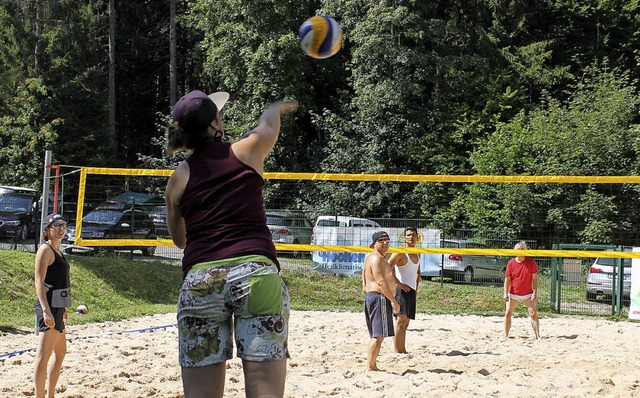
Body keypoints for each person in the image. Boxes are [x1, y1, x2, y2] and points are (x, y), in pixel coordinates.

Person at [164, 89, 298, 398]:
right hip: (256, 276)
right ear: (215, 125)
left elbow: (180, 240)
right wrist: (277, 105)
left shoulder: (178, 177)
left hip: (202, 283)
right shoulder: (247, 149)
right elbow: (268, 123)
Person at [33, 213, 71, 398]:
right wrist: (46, 311)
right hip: (48, 306)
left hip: (57, 306)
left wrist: (63, 309)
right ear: (47, 230)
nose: (61, 228)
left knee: (61, 352)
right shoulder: (45, 249)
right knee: (43, 356)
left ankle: (51, 395)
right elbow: (39, 282)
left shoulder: (58, 250)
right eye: (56, 225)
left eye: (63, 225)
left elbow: (60, 282)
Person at [362, 231, 401, 371]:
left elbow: (364, 275)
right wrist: (394, 301)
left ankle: (371, 365)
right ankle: (371, 367)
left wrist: (365, 288)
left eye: (387, 240)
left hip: (372, 297)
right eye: (381, 240)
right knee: (378, 336)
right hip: (379, 298)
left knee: (376, 335)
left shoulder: (371, 257)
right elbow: (380, 281)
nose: (385, 243)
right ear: (374, 243)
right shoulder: (376, 258)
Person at [387, 226, 420, 353]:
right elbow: (387, 268)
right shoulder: (400, 252)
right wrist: (399, 284)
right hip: (402, 291)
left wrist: (416, 288)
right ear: (404, 238)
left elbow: (417, 272)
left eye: (413, 235)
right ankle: (398, 351)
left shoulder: (417, 252)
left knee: (406, 323)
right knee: (400, 322)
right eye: (408, 235)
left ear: (417, 238)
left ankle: (402, 349)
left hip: (411, 291)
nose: (411, 237)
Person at [503, 241, 540, 339]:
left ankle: (538, 336)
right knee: (508, 313)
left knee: (533, 314)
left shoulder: (531, 262)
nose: (520, 250)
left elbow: (535, 279)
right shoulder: (511, 263)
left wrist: (535, 292)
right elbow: (507, 279)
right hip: (513, 293)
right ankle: (506, 335)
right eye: (518, 249)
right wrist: (505, 293)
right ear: (515, 251)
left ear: (525, 250)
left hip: (527, 293)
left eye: (522, 249)